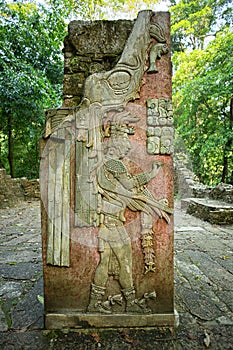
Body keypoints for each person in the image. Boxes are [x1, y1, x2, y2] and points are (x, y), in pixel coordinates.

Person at [87, 122, 171, 313]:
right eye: (125, 140)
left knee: (105, 262)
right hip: (113, 223)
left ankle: (93, 304)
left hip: (108, 222)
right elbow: (129, 184)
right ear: (116, 141)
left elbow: (126, 192)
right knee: (125, 260)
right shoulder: (113, 163)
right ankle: (131, 303)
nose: (128, 145)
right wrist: (151, 174)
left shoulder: (102, 163)